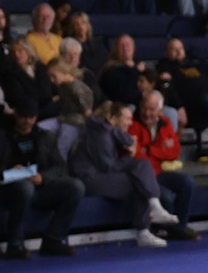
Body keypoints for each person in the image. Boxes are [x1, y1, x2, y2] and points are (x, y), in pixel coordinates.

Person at [70, 101, 183, 248]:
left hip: (101, 174)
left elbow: (129, 141)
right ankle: (145, 227)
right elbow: (107, 166)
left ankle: (154, 206)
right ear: (114, 118)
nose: (131, 123)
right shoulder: (99, 134)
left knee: (142, 165)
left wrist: (128, 142)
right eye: (127, 119)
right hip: (90, 178)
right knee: (137, 180)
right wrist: (129, 157)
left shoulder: (108, 128)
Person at [0, 98, 83, 258]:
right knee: (24, 188)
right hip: (5, 189)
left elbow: (59, 166)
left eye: (31, 117)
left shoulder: (45, 137)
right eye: (24, 117)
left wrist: (43, 177)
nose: (27, 121)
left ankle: (53, 239)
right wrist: (7, 172)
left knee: (75, 187)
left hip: (38, 186)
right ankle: (15, 244)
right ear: (15, 115)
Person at [129, 88, 198, 242]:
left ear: (160, 110)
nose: (147, 113)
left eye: (152, 109)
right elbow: (136, 155)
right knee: (165, 196)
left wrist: (150, 149)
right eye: (144, 108)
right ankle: (165, 228)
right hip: (142, 177)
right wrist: (159, 150)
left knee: (187, 182)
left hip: (158, 171)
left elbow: (174, 151)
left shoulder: (165, 123)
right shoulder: (133, 124)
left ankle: (179, 228)